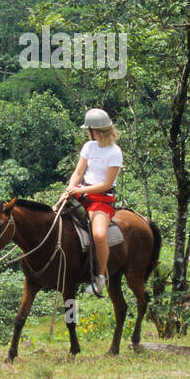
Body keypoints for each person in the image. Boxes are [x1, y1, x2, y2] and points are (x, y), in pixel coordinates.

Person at [57, 108, 122, 298]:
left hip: (101, 199)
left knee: (99, 235)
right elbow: (78, 172)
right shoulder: (89, 147)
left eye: (89, 129)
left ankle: (100, 278)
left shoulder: (115, 152)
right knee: (54, 216)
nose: (87, 132)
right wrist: (69, 189)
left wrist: (80, 190)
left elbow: (106, 184)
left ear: (96, 130)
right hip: (81, 192)